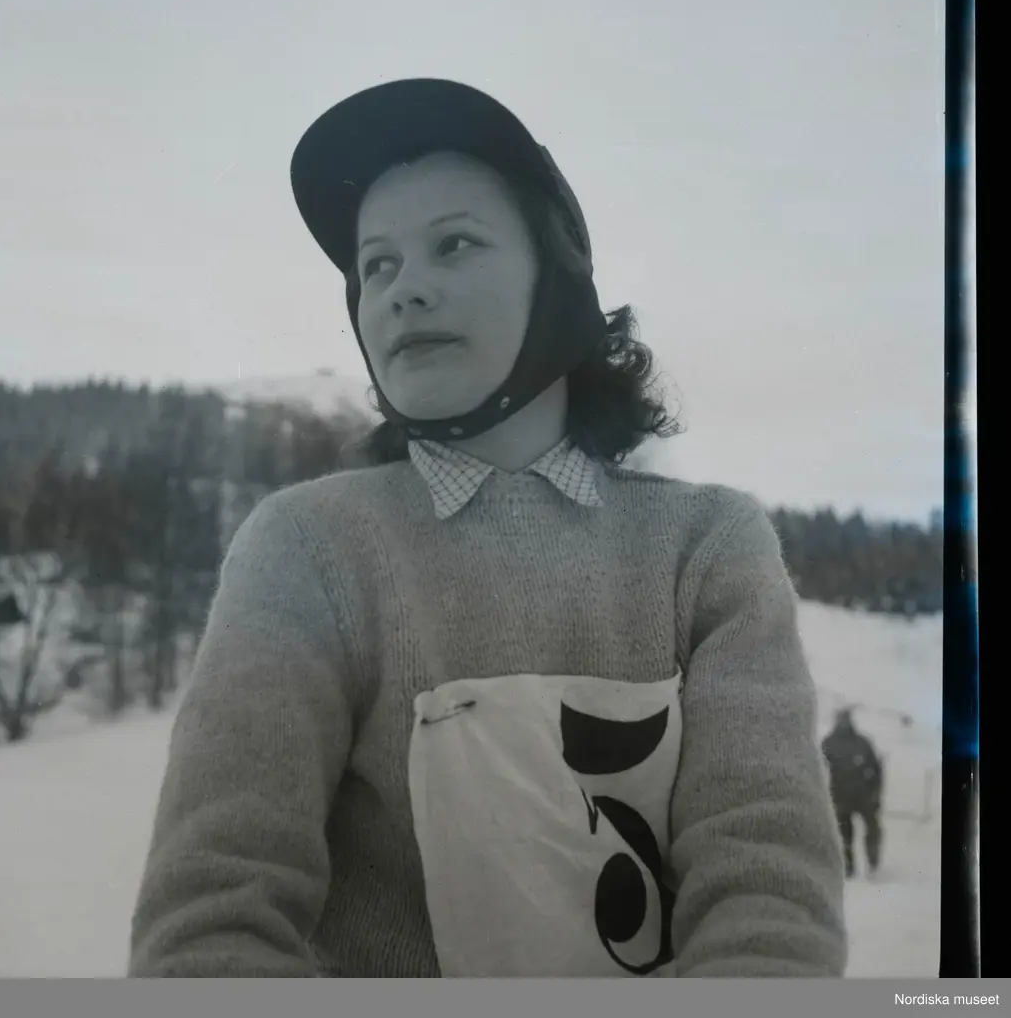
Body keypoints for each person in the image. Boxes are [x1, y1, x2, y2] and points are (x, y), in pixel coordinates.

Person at [128, 78, 848, 978]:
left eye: (454, 244)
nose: (403, 291)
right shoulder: (306, 546)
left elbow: (766, 890)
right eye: (376, 265)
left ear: (558, 277)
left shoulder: (707, 548)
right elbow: (213, 915)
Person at [821, 707, 884, 879]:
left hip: (864, 796)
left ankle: (873, 863)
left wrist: (876, 794)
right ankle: (848, 867)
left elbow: (876, 769)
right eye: (841, 719)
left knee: (873, 829)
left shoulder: (862, 743)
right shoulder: (828, 743)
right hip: (840, 797)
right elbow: (818, 768)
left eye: (846, 719)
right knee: (843, 834)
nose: (844, 723)